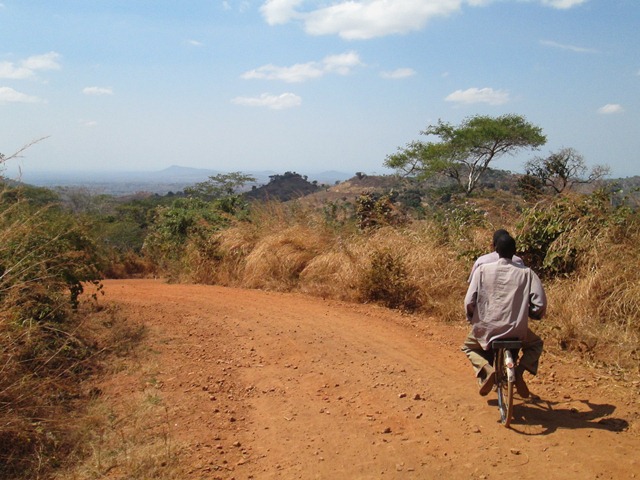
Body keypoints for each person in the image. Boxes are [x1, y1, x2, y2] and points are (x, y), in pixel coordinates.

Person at [462, 233, 546, 397]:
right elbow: (540, 304)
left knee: (468, 346)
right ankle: (519, 371)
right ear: (515, 251)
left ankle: (487, 370)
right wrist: (531, 314)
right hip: (516, 330)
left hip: (487, 328)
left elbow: (469, 301)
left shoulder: (482, 270)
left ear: (495, 250)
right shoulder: (527, 273)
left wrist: (473, 318)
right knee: (535, 344)